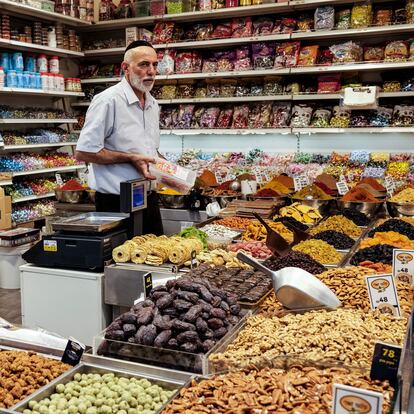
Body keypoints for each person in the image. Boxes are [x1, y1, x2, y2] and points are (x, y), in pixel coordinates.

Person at [75, 40, 163, 235]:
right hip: (116, 204)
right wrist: (130, 158)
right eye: (144, 64)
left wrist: (172, 172)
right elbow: (84, 152)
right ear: (126, 68)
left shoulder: (152, 104)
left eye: (155, 65)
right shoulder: (108, 101)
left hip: (148, 198)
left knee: (156, 259)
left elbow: (149, 149)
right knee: (121, 262)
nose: (151, 71)